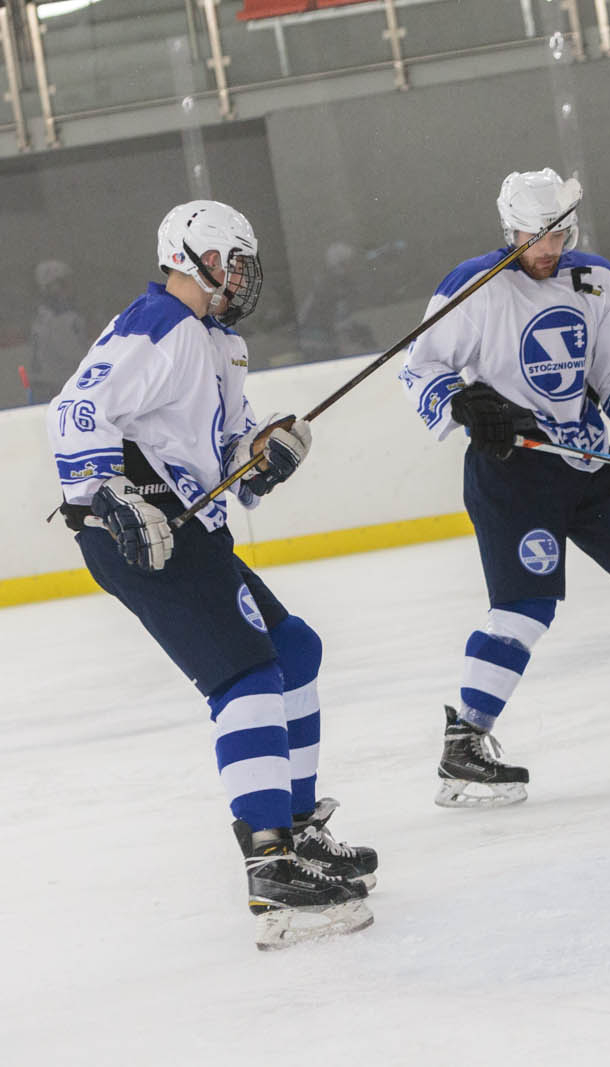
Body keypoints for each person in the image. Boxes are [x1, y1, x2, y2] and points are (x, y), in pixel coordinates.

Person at [45, 200, 377, 950]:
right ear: (190, 257)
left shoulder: (219, 345)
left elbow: (228, 464)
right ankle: (271, 865)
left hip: (189, 528)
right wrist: (109, 494)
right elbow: (74, 412)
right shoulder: (158, 321)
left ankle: (295, 830)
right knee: (247, 676)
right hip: (139, 533)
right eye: (231, 261)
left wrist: (265, 455)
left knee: (293, 652)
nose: (241, 276)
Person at [400, 168, 610, 808]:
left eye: (557, 234)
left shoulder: (595, 279)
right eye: (532, 236)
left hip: (587, 458)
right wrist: (465, 404)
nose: (546, 249)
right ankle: (465, 746)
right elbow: (421, 367)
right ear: (508, 228)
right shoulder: (475, 287)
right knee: (523, 612)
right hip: (512, 473)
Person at [29, 259, 90, 403]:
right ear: (52, 288)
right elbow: (75, 356)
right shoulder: (59, 320)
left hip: (53, 388)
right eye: (64, 284)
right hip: (59, 390)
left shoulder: (43, 317)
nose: (70, 289)